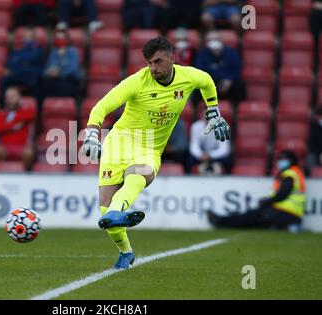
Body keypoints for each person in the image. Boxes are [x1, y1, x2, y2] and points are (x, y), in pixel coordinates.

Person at [83, 37, 230, 269]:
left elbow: (207, 82)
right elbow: (101, 106)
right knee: (104, 208)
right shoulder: (137, 81)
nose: (153, 68)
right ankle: (126, 251)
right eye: (149, 63)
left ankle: (117, 212)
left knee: (137, 175)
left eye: (158, 62)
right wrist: (92, 133)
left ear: (173, 58)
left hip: (150, 146)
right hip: (119, 142)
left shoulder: (189, 77)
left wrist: (213, 110)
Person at [207, 151, 306, 231]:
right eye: (280, 159)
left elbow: (282, 194)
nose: (281, 161)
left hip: (287, 213)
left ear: (291, 161)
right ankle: (223, 221)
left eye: (284, 159)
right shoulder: (294, 173)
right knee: (255, 218)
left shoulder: (290, 174)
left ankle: (221, 221)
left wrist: (267, 202)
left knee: (253, 215)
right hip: (288, 213)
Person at [0, 87, 37, 170]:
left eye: (12, 96)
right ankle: (0, 174)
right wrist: (13, 126)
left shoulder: (26, 111)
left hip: (22, 147)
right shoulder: (1, 114)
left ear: (19, 98)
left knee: (29, 153)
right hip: (5, 147)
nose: (10, 99)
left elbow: (31, 114)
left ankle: (26, 175)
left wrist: (7, 124)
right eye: (8, 97)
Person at [195, 30, 244, 104]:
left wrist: (229, 80)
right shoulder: (202, 54)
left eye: (216, 40)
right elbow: (199, 70)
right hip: (210, 83)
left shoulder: (231, 52)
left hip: (228, 83)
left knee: (239, 86)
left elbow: (236, 69)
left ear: (221, 40)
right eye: (210, 40)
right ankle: (199, 110)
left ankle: (236, 110)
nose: (213, 43)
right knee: (197, 87)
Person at [0, 28, 44, 106]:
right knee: (3, 81)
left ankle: (37, 110)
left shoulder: (39, 50)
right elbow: (10, 63)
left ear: (34, 39)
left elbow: (34, 58)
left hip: (31, 76)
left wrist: (20, 60)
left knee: (38, 83)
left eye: (30, 37)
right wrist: (24, 62)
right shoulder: (16, 51)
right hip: (18, 75)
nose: (27, 39)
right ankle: (3, 107)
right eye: (26, 37)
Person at [41, 28, 81, 99]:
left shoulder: (73, 51)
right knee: (45, 84)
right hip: (54, 80)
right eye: (58, 38)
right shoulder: (53, 51)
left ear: (67, 39)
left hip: (69, 80)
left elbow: (72, 68)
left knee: (64, 84)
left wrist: (59, 71)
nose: (60, 40)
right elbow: (50, 66)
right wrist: (50, 71)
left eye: (62, 38)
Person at [307, 107, 322, 171]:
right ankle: (312, 174)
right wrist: (319, 153)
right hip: (317, 152)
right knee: (311, 157)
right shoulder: (314, 127)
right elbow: (312, 143)